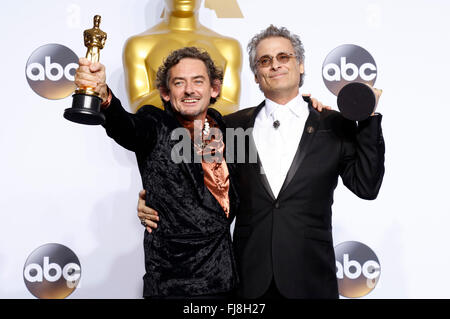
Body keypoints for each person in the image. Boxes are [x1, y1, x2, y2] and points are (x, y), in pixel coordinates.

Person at [138, 25, 385, 299]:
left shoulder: (333, 125)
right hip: (247, 280)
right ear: (256, 75)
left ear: (300, 65)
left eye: (284, 57)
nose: (275, 66)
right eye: (264, 61)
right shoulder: (230, 128)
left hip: (311, 278)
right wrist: (152, 201)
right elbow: (191, 181)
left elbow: (366, 186)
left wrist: (368, 120)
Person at [75, 46, 241, 299]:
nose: (189, 90)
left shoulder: (226, 128)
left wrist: (310, 106)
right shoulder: (154, 124)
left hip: (225, 282)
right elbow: (126, 126)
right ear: (165, 92)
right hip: (172, 285)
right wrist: (104, 96)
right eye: (178, 82)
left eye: (198, 81)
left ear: (214, 89)